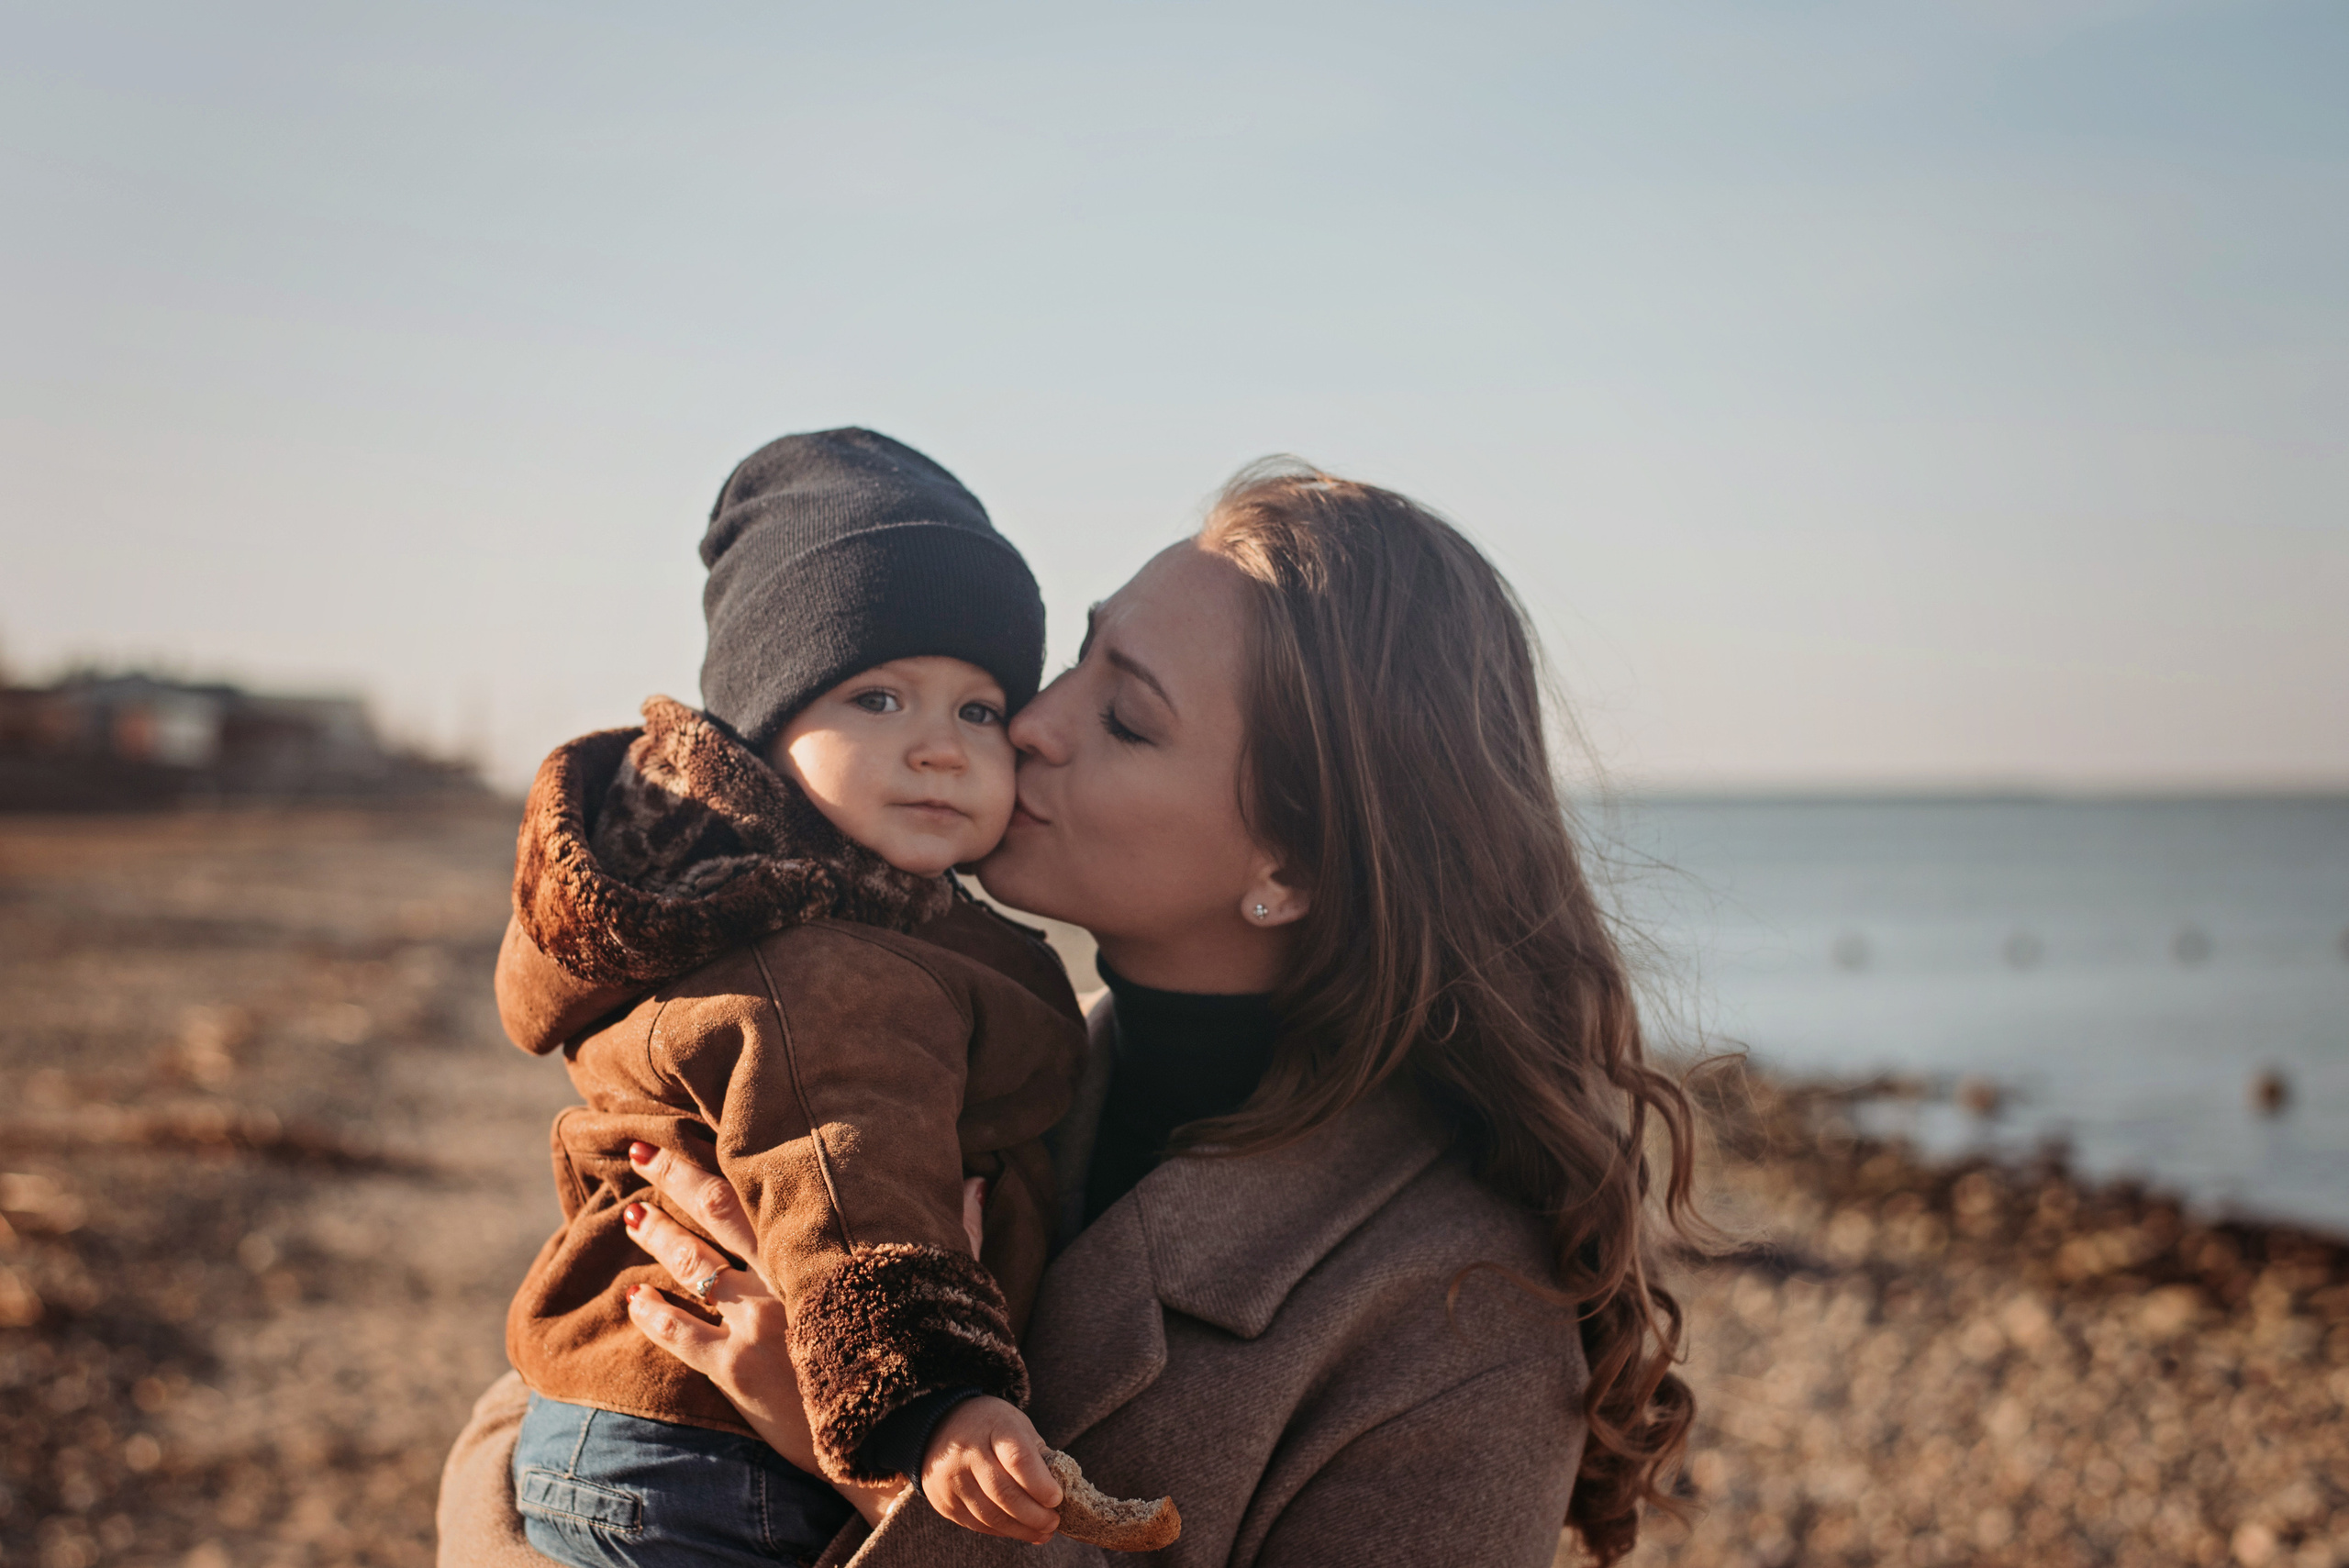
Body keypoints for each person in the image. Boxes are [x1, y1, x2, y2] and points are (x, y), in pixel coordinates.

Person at [440, 459, 1700, 1567]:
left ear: (1293, 871)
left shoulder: (1459, 1322)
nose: (1026, 723)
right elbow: (526, 1442)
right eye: (1079, 656)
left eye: (1126, 716)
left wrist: (870, 1455)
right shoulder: (955, 1053)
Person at [491, 428, 1169, 1568]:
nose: (940, 749)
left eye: (977, 709)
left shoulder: (802, 915)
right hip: (707, 1463)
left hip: (643, 1430)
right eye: (877, 697)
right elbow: (842, 1166)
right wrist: (936, 1400)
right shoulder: (824, 956)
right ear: (764, 728)